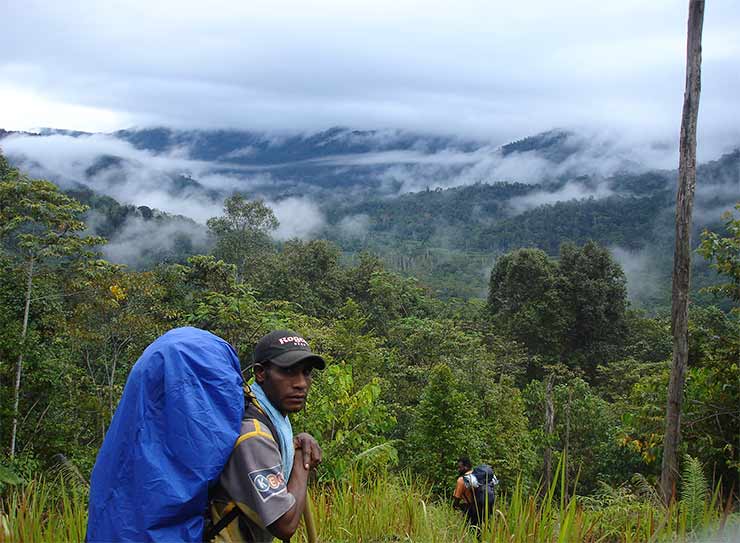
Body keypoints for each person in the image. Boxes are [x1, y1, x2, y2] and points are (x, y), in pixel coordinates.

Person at [207, 330, 326, 543]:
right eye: (289, 371)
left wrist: (299, 442)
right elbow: (285, 524)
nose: (301, 383)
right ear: (261, 373)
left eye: (306, 372)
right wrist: (302, 464)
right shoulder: (253, 434)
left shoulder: (265, 415)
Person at [452, 456, 476, 524]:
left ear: (466, 467)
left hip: (470, 509)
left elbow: (456, 501)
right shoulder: (477, 476)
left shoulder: (461, 480)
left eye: (460, 467)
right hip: (483, 508)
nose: (458, 469)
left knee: (469, 530)